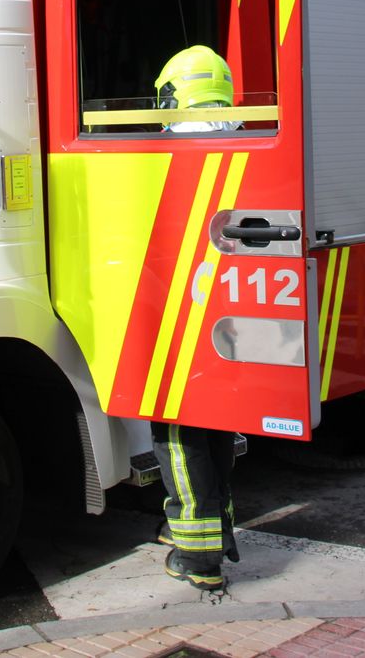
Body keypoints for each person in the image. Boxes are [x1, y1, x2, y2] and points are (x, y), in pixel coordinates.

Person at [151, 45, 240, 591]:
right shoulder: (249, 137)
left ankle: (197, 555)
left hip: (181, 311)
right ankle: (218, 526)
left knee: (177, 430)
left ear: (171, 93)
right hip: (231, 309)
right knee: (218, 424)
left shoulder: (164, 149)